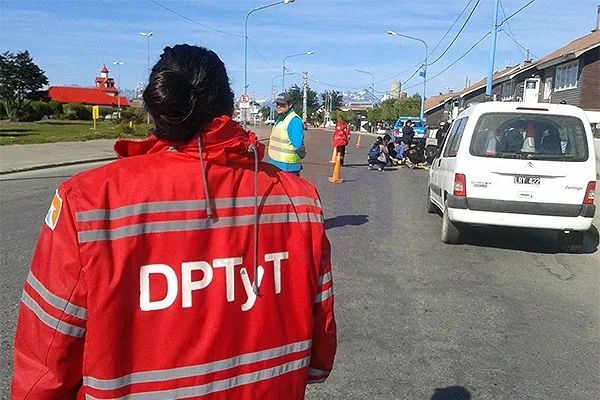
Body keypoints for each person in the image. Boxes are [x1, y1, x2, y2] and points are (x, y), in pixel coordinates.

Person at [12, 44, 336, 399]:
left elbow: (47, 355)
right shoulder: (300, 200)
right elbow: (318, 356)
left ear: (157, 111)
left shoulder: (89, 201)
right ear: (228, 109)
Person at [268, 92, 306, 176]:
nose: (278, 106)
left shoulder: (294, 120)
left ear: (290, 105)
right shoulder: (280, 118)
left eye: (282, 104)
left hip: (288, 167)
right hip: (274, 164)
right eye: (277, 104)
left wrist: (301, 154)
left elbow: (297, 145)